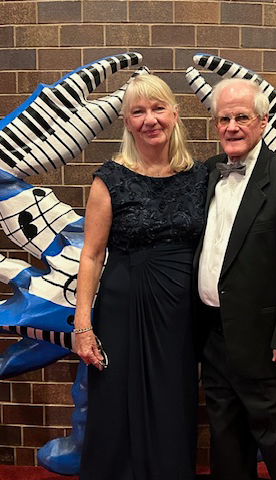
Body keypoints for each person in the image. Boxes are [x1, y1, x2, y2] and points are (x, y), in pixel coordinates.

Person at [73, 74, 208, 480]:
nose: (150, 119)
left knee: (173, 402)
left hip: (181, 313)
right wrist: (82, 325)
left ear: (175, 114)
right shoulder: (109, 178)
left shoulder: (202, 177)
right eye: (138, 112)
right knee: (116, 404)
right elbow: (92, 255)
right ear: (127, 122)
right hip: (123, 307)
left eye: (157, 108)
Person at [195, 78, 276, 480]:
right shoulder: (205, 176)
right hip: (214, 342)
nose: (231, 126)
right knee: (228, 451)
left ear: (263, 122)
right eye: (223, 119)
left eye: (241, 117)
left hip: (270, 347)